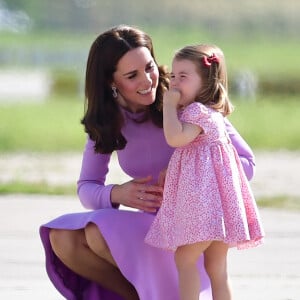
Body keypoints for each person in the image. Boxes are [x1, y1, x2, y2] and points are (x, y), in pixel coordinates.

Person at [39, 25, 256, 300]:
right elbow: (86, 187)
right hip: (151, 231)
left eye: (149, 67)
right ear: (111, 82)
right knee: (62, 238)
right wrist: (118, 193)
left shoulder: (183, 100)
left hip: (191, 233)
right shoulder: (108, 121)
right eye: (132, 75)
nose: (148, 81)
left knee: (96, 233)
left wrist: (188, 172)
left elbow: (247, 163)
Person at [144, 44, 265, 300]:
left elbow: (175, 139)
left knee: (185, 258)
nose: (175, 83)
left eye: (183, 77)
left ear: (206, 82)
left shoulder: (196, 112)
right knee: (217, 267)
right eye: (173, 76)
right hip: (220, 208)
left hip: (205, 209)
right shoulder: (213, 114)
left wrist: (168, 106)